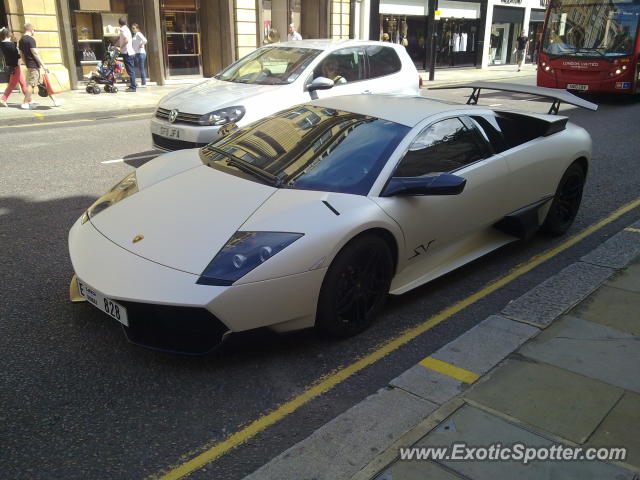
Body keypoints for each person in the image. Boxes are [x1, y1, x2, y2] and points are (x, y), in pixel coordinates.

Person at [18, 23, 62, 109]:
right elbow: (35, 53)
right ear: (31, 29)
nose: (34, 32)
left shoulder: (21, 40)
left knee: (44, 83)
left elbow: (21, 54)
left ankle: (55, 100)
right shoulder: (31, 39)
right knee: (32, 84)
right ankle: (25, 103)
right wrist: (44, 65)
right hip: (34, 65)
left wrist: (26, 63)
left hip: (30, 65)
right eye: (34, 30)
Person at [1, 27, 27, 107]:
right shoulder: (11, 44)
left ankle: (29, 99)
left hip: (10, 65)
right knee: (12, 84)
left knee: (23, 83)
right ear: (9, 35)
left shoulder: (2, 44)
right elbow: (16, 56)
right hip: (15, 66)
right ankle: (3, 98)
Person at [117, 17, 136, 92]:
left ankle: (133, 87)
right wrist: (116, 45)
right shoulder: (127, 29)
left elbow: (126, 40)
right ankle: (133, 84)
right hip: (130, 52)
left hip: (127, 52)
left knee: (130, 71)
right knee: (131, 70)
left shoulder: (122, 29)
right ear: (126, 22)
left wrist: (120, 47)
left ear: (119, 23)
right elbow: (121, 39)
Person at [131, 23, 147, 87]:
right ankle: (137, 82)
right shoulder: (135, 35)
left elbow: (145, 40)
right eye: (132, 28)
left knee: (141, 68)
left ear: (137, 28)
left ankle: (144, 83)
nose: (132, 29)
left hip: (141, 53)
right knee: (137, 68)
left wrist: (141, 44)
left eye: (134, 28)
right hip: (137, 53)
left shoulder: (138, 34)